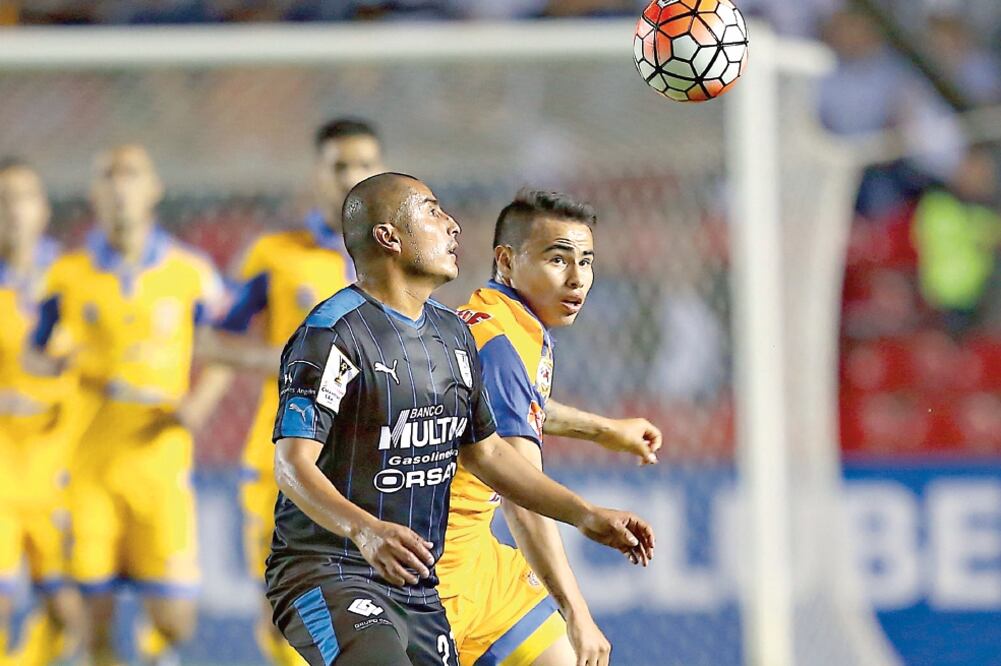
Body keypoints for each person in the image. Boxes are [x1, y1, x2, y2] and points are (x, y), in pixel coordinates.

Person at [267, 173, 655, 665]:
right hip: (336, 568)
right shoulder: (331, 335)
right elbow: (292, 465)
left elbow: (488, 448)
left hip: (421, 578)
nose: (453, 225)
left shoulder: (451, 335)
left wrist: (585, 513)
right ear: (389, 237)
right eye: (432, 211)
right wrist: (365, 530)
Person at [26, 144, 230, 666]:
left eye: (131, 174)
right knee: (92, 626)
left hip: (161, 469)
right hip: (88, 467)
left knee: (175, 622)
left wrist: (200, 403)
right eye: (109, 176)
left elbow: (225, 348)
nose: (120, 186)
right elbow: (36, 352)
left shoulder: (190, 272)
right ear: (94, 193)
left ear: (154, 187)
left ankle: (155, 649)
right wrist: (58, 366)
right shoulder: (68, 275)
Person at [440, 189, 662, 666]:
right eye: (558, 259)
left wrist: (604, 431)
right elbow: (524, 495)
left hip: (481, 567)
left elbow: (516, 406)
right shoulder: (501, 342)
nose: (577, 278)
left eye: (586, 261)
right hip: (437, 582)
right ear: (506, 259)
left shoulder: (497, 319)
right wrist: (576, 612)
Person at [201, 117, 383, 666]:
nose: (353, 176)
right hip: (282, 455)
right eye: (340, 166)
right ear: (318, 174)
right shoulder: (276, 253)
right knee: (285, 615)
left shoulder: (400, 259)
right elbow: (212, 341)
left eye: (364, 164)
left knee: (374, 607)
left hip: (371, 459)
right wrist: (284, 360)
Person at [0, 159, 83, 665]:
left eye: (22, 197)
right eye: (2, 200)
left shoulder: (74, 278)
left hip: (61, 463)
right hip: (3, 469)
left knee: (67, 612)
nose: (12, 210)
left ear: (43, 208)